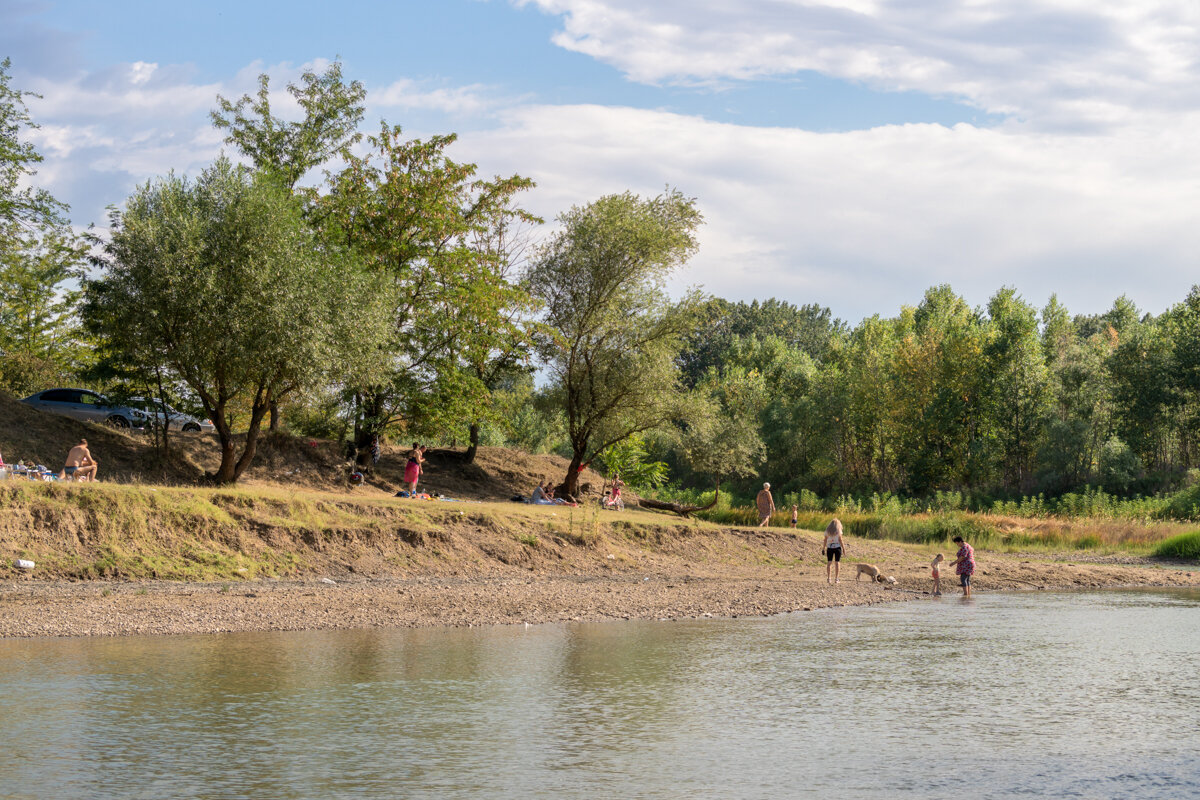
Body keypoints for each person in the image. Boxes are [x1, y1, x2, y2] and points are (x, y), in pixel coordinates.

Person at [824, 518, 846, 584]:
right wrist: (844, 548)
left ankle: (829, 578)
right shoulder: (838, 530)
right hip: (837, 547)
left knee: (829, 562)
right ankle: (836, 579)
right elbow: (840, 540)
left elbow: (825, 540)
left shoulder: (827, 531)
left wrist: (823, 548)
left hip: (829, 547)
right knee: (837, 563)